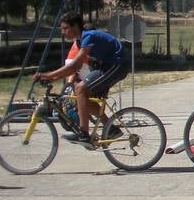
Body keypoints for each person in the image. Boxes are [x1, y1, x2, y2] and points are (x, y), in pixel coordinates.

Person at [34, 12, 130, 145]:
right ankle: (111, 128)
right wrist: (53, 78)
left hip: (117, 64)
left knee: (80, 88)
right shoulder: (80, 41)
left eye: (65, 28)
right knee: (83, 97)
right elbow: (74, 69)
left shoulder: (88, 37)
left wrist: (48, 75)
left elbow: (75, 64)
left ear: (75, 27)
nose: (63, 32)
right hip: (106, 66)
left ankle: (83, 133)